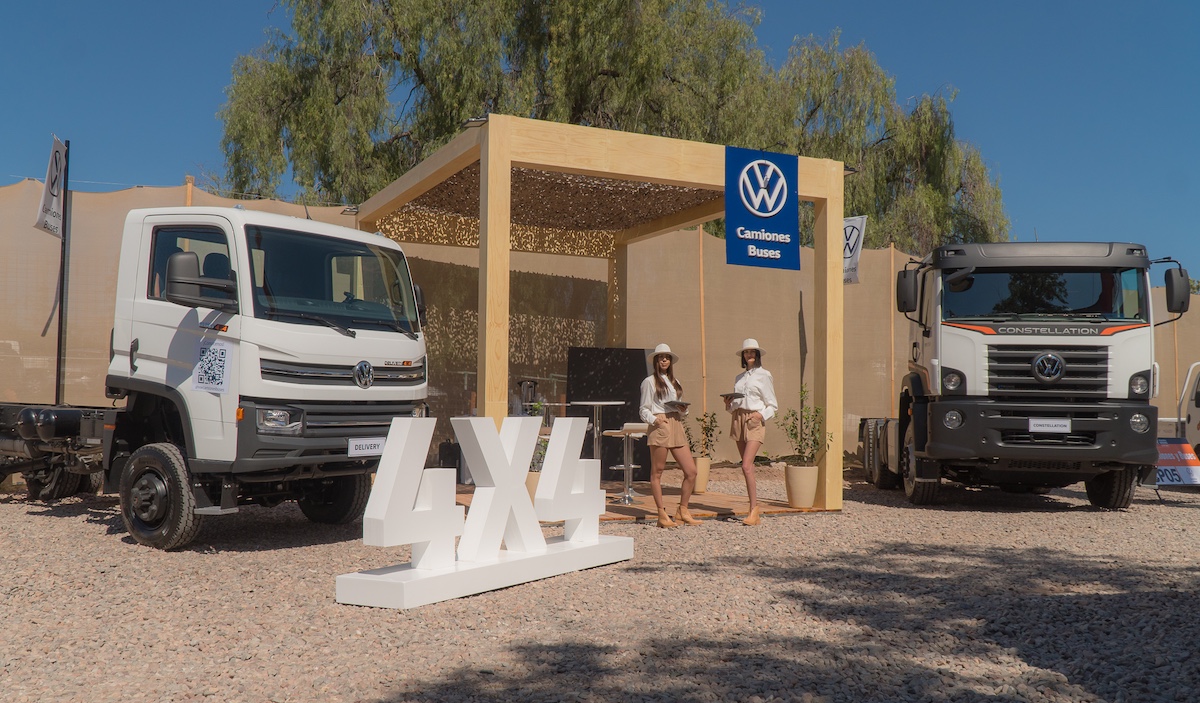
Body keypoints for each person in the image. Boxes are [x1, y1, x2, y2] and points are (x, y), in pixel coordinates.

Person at [638, 343, 700, 528]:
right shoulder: (649, 382)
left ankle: (683, 510)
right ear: (656, 360)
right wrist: (655, 421)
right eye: (660, 357)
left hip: (676, 424)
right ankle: (661, 514)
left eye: (667, 357)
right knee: (657, 472)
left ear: (670, 361)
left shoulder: (676, 382)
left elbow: (681, 410)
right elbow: (643, 409)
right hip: (661, 423)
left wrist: (683, 411)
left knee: (691, 471)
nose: (664, 359)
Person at [725, 338, 778, 526]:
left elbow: (773, 405)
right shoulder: (739, 378)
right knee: (748, 468)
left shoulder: (765, 375)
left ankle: (754, 509)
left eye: (752, 352)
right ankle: (752, 510)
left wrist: (760, 416)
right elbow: (735, 405)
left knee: (746, 466)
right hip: (738, 418)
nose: (749, 355)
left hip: (754, 420)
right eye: (746, 352)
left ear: (757, 354)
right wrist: (729, 405)